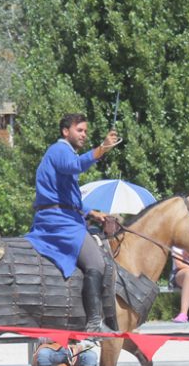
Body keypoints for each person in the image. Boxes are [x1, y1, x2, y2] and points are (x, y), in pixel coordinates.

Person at [26, 113, 121, 342]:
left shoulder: (65, 152)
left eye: (86, 131)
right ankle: (94, 323)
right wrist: (102, 149)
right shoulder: (59, 151)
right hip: (58, 222)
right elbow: (76, 166)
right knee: (97, 262)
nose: (84, 135)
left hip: (65, 217)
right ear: (65, 131)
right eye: (80, 130)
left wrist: (91, 213)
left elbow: (68, 197)